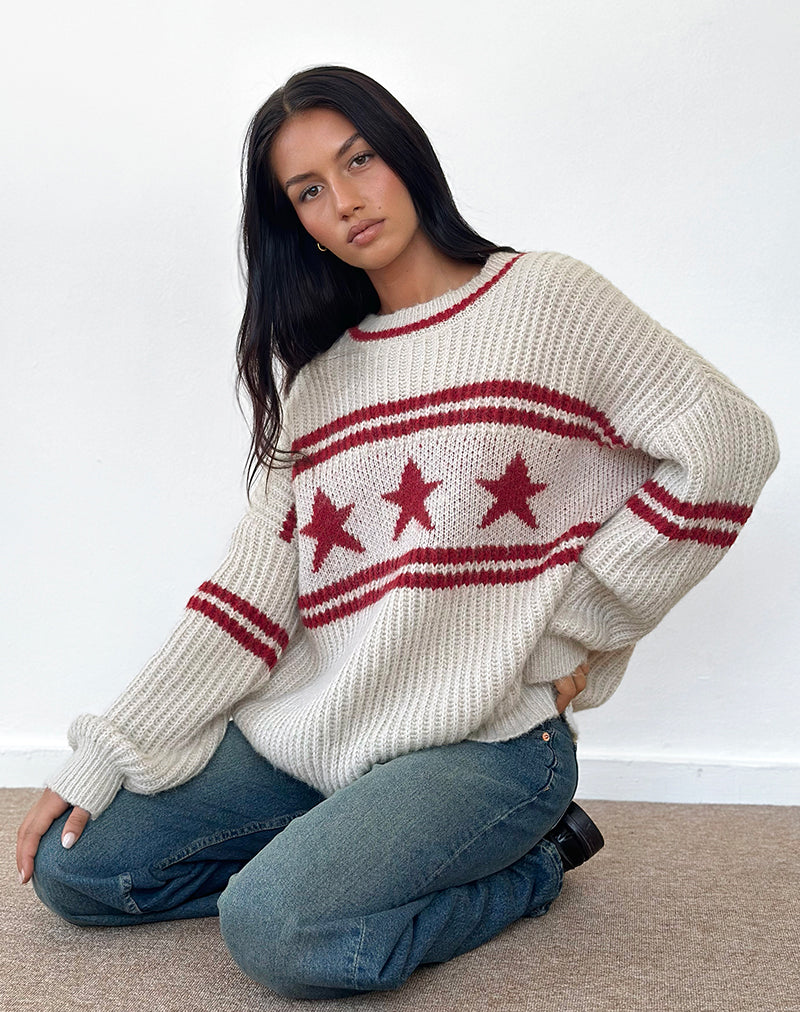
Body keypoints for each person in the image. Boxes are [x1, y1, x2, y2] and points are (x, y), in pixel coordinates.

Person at [16, 66, 778, 999]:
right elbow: (245, 601)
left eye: (358, 161)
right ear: (296, 223)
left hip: (486, 744)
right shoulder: (321, 382)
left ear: (405, 155)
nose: (344, 201)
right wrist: (111, 745)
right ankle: (343, 856)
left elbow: (730, 445)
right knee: (78, 869)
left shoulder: (549, 301)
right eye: (308, 191)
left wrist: (576, 626)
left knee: (277, 930)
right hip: (325, 733)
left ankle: (533, 863)